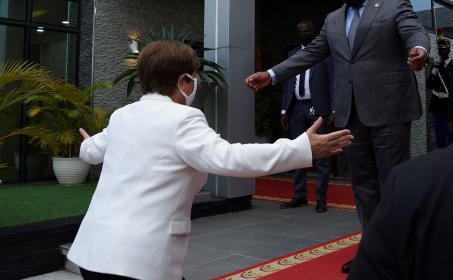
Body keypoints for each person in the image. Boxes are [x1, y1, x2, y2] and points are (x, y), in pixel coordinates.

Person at [67, 40, 353, 280]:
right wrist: (302, 149)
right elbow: (231, 159)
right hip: (142, 260)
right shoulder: (183, 118)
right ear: (183, 81)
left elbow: (91, 152)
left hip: (93, 253)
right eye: (194, 78)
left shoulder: (122, 116)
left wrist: (87, 142)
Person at [245, 0, 430, 273]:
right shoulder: (332, 20)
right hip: (350, 112)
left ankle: (404, 251)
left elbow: (414, 32)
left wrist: (420, 51)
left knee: (393, 182)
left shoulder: (394, 5)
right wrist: (272, 75)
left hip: (389, 107)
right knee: (363, 186)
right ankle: (373, 251)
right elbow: (310, 54)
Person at [348, 128, 453, 280]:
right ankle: (375, 248)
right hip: (350, 117)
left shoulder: (414, 183)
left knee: (400, 194)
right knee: (364, 186)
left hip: (389, 117)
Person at [280, 20, 335, 213]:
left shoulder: (325, 54)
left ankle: (321, 199)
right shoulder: (293, 54)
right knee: (297, 152)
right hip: (296, 108)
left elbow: (332, 81)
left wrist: (332, 109)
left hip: (317, 108)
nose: (304, 33)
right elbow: (288, 83)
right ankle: (299, 196)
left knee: (321, 155)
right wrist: (284, 110)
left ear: (315, 31)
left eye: (307, 30)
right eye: (300, 30)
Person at [425, 35, 453, 148]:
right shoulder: (436, 65)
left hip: (449, 106)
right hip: (437, 105)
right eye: (440, 49)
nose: (441, 51)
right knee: (440, 136)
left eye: (443, 49)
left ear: (449, 49)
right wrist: (434, 67)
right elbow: (429, 84)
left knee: (451, 136)